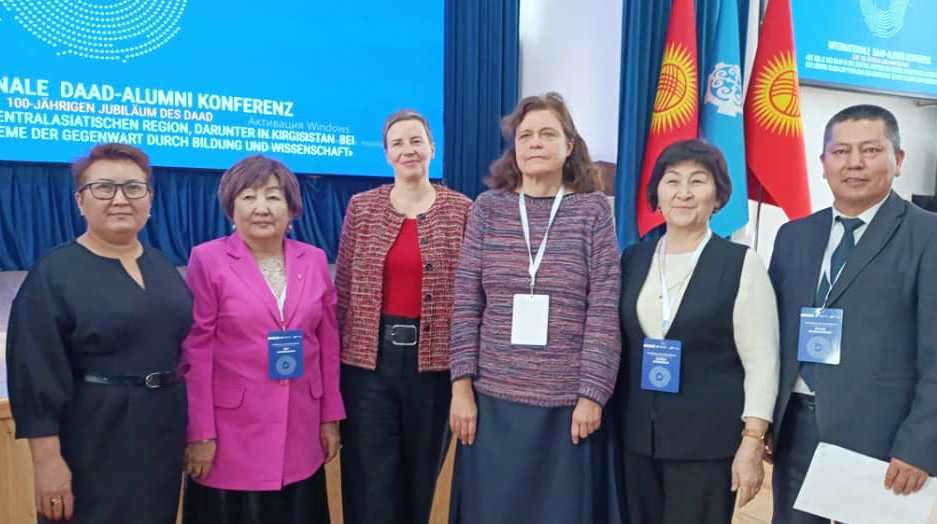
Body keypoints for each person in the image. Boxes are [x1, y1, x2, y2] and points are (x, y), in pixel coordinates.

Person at [447, 92, 621, 523]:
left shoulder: (593, 212)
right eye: (525, 136)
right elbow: (466, 302)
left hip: (564, 406)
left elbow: (603, 309)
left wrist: (592, 394)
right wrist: (461, 387)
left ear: (569, 145)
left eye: (547, 134)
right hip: (492, 401)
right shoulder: (488, 209)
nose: (535, 143)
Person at [5, 143, 192, 523]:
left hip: (161, 432)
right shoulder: (54, 273)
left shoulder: (162, 266)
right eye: (104, 188)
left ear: (150, 199)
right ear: (80, 201)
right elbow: (35, 374)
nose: (120, 199)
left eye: (133, 188)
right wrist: (47, 463)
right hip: (91, 435)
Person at [769, 104, 937, 523]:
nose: (854, 163)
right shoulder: (793, 236)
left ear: (898, 160)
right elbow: (775, 338)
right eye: (841, 151)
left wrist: (919, 445)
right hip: (795, 432)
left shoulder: (927, 236)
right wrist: (767, 420)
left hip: (884, 443)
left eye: (870, 150)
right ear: (823, 163)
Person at [613, 139, 779, 523]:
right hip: (636, 439)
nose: (684, 193)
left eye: (698, 181)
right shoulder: (633, 259)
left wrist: (752, 440)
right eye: (672, 181)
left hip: (707, 443)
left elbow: (762, 361)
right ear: (657, 193)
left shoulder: (741, 264)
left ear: (718, 196)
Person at [181, 155, 343, 524]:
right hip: (231, 434)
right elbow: (196, 351)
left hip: (300, 429)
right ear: (231, 207)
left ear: (291, 207)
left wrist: (330, 417)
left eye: (273, 196)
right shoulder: (208, 260)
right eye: (249, 197)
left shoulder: (314, 260)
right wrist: (200, 431)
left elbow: (328, 344)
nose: (262, 208)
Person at [334, 109, 471, 524]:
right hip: (367, 365)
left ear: (432, 148)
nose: (408, 150)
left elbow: (471, 297)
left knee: (420, 475)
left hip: (434, 367)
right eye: (398, 143)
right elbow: (344, 289)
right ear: (386, 154)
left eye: (416, 141)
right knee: (370, 477)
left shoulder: (463, 210)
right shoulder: (362, 208)